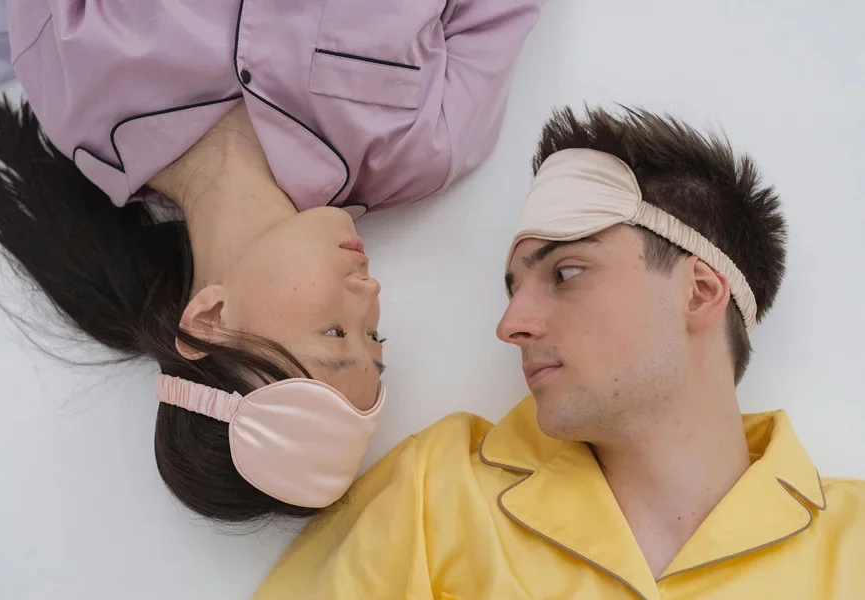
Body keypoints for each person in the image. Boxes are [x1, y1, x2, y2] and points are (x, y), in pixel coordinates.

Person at [0, 0, 546, 523]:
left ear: (210, 319)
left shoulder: (75, 86)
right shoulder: (427, 149)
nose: (370, 292)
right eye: (375, 335)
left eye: (334, 332)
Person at [254, 107, 865, 599]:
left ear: (700, 293)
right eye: (513, 287)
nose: (511, 324)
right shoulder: (439, 492)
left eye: (567, 273)